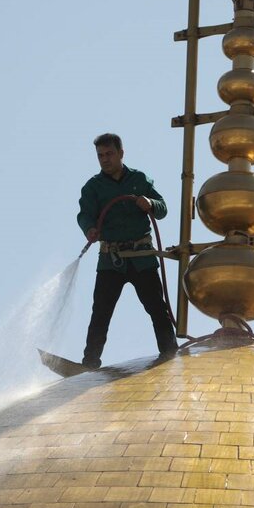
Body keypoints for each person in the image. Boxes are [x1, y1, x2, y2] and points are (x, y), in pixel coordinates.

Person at [77, 133, 178, 369]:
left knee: (156, 307)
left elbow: (162, 208)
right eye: (100, 156)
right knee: (100, 312)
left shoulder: (139, 179)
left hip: (142, 257)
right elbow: (84, 215)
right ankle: (89, 364)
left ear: (121, 153)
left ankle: (170, 355)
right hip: (111, 260)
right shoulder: (93, 187)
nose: (105, 159)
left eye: (109, 154)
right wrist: (90, 229)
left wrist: (150, 203)